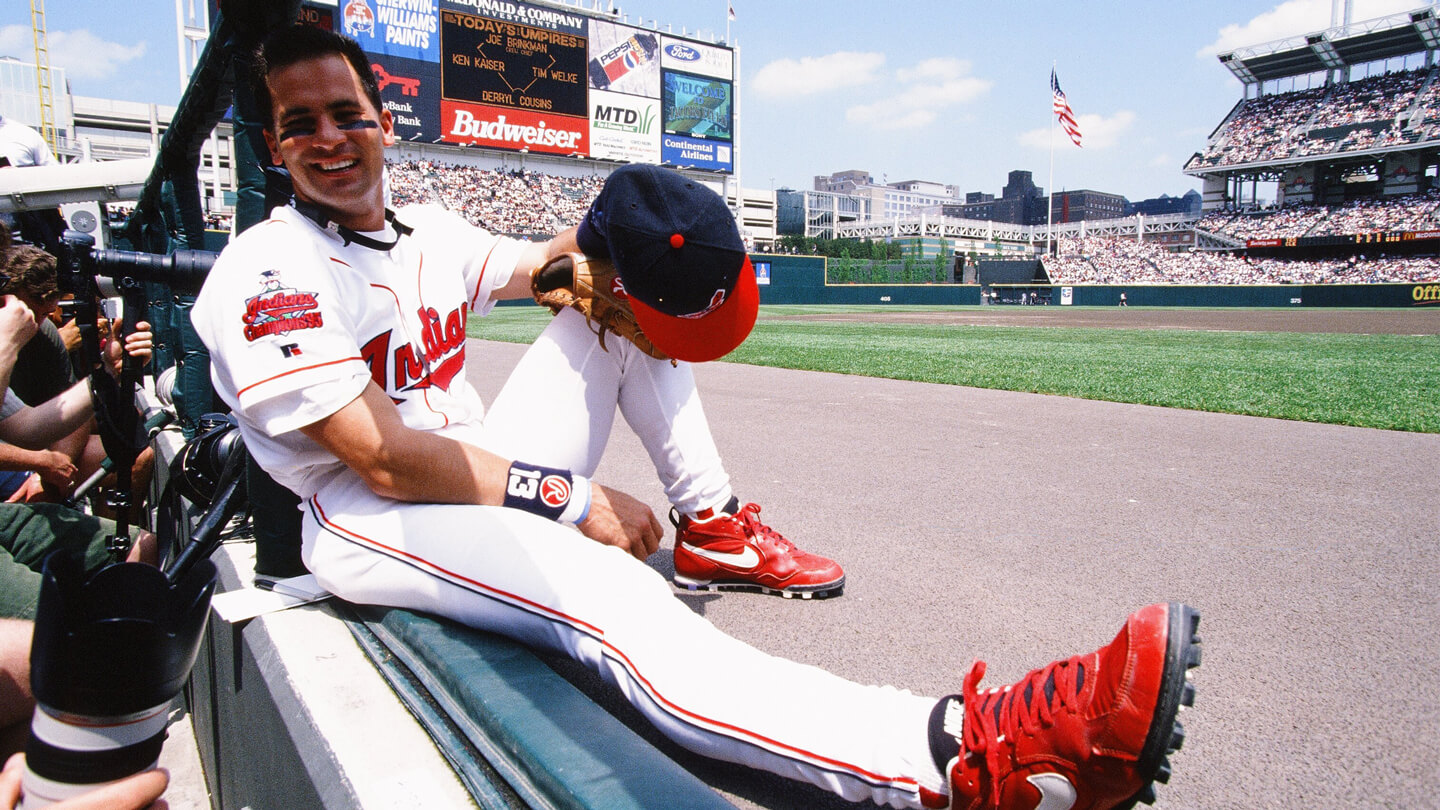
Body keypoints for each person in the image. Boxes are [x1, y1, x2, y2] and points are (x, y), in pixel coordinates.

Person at [192, 26, 1201, 809]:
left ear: (382, 118)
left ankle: (712, 524)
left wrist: (617, 232)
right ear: (274, 147)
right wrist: (571, 499)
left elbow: (551, 266)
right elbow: (383, 460)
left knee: (616, 308)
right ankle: (965, 758)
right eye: (300, 124)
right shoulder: (269, 268)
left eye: (346, 113)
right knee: (609, 601)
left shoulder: (427, 232)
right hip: (368, 517)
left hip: (471, 468)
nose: (329, 139)